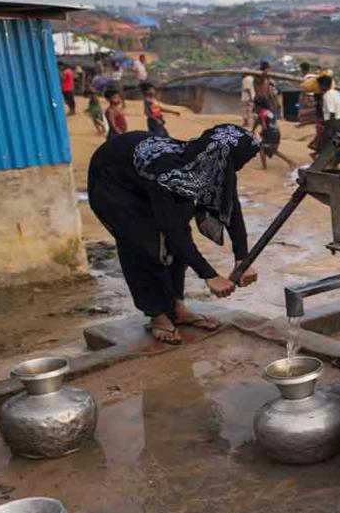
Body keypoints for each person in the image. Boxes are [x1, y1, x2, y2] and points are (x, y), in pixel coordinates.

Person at [87, 125, 260, 343]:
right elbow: (171, 230)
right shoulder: (168, 172)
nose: (239, 169)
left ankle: (177, 308)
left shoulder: (215, 162)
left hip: (144, 179)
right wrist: (209, 275)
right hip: (113, 184)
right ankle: (157, 315)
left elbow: (232, 210)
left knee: (177, 237)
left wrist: (242, 259)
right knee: (144, 245)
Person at [251, 96, 296, 171]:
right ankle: (290, 162)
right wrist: (253, 130)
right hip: (276, 133)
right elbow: (258, 122)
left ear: (258, 106)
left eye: (255, 105)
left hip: (270, 134)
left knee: (262, 148)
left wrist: (261, 133)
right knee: (273, 151)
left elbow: (264, 126)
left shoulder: (261, 114)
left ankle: (264, 167)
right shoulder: (268, 112)